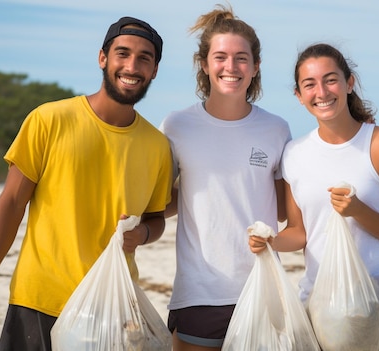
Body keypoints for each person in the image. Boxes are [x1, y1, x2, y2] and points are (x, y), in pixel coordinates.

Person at [0, 16, 173, 350]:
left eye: (144, 58)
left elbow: (155, 217)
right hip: (39, 299)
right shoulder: (49, 119)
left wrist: (142, 234)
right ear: (103, 58)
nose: (132, 66)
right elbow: (11, 202)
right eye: (122, 53)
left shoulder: (157, 146)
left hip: (112, 305)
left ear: (154, 70)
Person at [249, 43, 379, 350]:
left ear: (349, 83)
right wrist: (271, 243)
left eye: (330, 79)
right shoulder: (294, 154)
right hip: (318, 310)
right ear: (299, 96)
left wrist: (357, 210)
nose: (321, 91)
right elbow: (300, 233)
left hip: (373, 309)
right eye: (309, 84)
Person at [159, 4, 291, 350]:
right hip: (198, 290)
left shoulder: (276, 129)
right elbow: (168, 199)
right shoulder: (177, 126)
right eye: (220, 57)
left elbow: (283, 209)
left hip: (263, 287)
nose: (230, 67)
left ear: (256, 66)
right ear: (204, 63)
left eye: (241, 58)